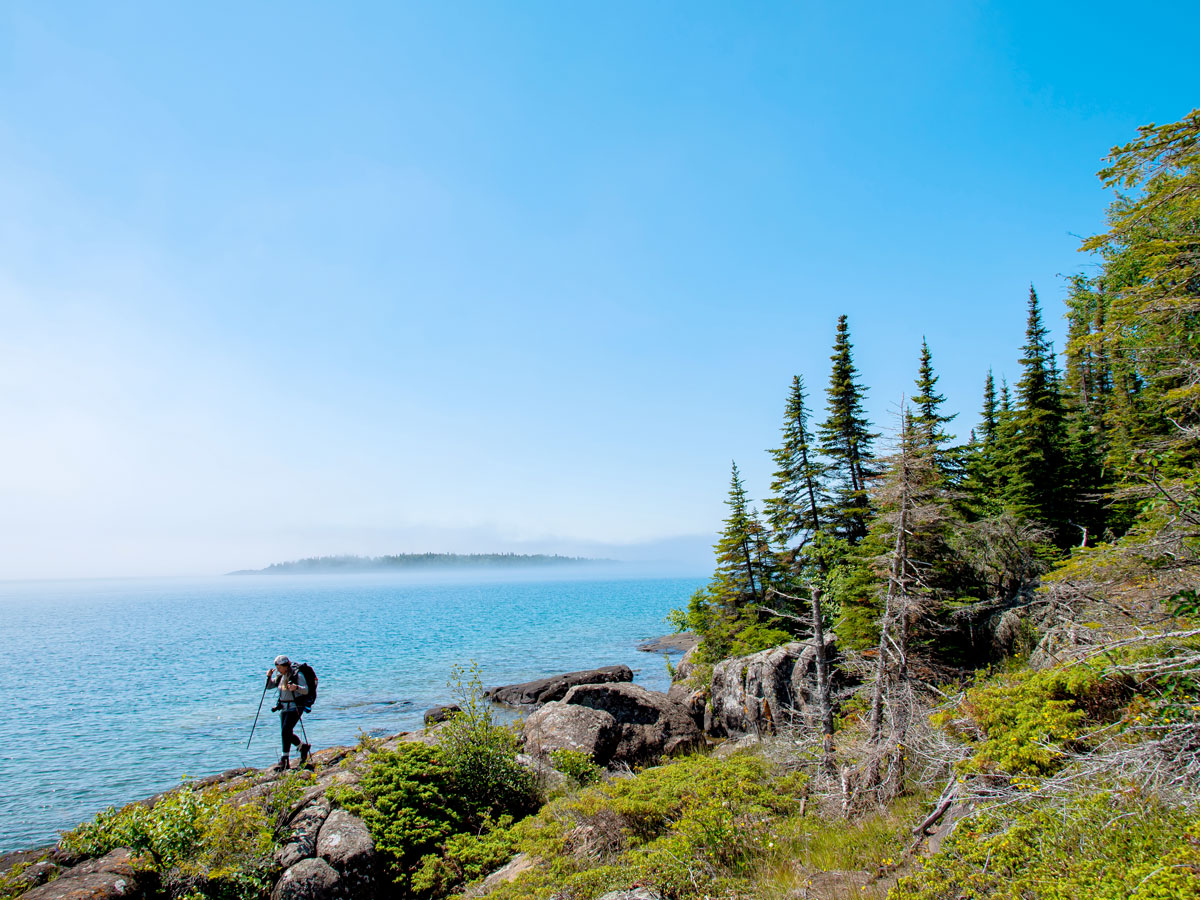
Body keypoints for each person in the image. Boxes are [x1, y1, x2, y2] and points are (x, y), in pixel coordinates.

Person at [266, 655, 310, 770]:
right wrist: (269, 677)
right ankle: (302, 747)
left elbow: (305, 690)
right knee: (286, 732)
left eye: (279, 667)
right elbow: (269, 687)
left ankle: (284, 759)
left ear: (285, 666)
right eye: (277, 667)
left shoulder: (297, 675)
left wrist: (296, 688)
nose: (277, 669)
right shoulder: (281, 676)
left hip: (295, 706)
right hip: (284, 707)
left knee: (286, 731)